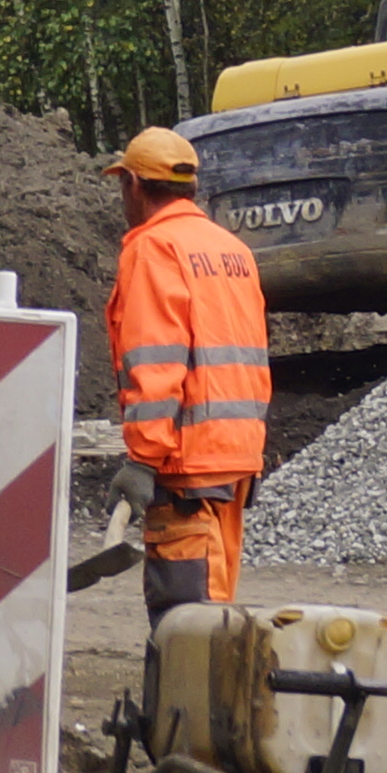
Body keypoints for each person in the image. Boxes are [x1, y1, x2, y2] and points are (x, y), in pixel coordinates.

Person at [105, 125, 272, 612]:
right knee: (215, 610)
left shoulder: (154, 249)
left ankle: (193, 693)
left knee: (188, 629)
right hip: (235, 457)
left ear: (134, 185)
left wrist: (142, 460)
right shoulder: (232, 250)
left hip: (187, 463)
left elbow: (157, 363)